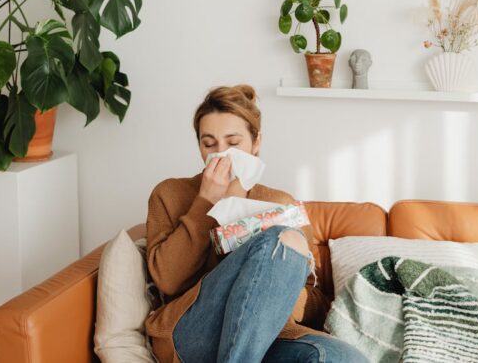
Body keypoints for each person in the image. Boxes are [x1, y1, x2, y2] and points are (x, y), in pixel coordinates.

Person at [144, 84, 369, 363]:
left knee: (341, 358)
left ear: (256, 143)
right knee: (282, 239)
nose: (221, 153)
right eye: (209, 143)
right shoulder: (169, 193)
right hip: (192, 332)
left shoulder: (281, 203)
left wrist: (269, 287)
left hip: (266, 336)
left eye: (233, 143)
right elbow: (169, 280)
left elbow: (312, 300)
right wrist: (206, 201)